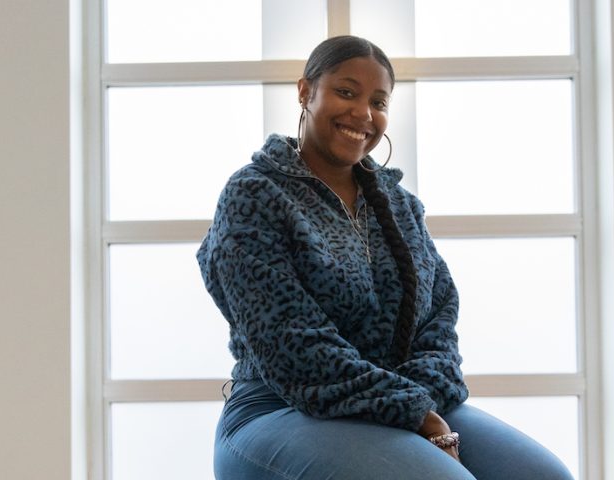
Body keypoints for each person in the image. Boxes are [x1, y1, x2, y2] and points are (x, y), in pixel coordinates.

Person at [197, 35, 574, 480]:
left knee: (545, 476)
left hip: (401, 401)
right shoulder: (254, 195)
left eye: (379, 101)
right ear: (305, 92)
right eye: (346, 92)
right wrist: (413, 411)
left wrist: (415, 402)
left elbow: (439, 318)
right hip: (279, 408)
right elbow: (294, 346)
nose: (363, 113)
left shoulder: (400, 205)